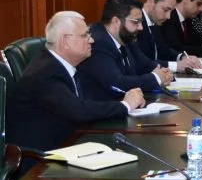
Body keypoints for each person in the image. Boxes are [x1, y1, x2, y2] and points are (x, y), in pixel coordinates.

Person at [6, 11, 145, 152]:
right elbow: (79, 110)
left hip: (70, 142)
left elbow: (92, 99)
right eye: (85, 35)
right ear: (65, 41)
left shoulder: (70, 65)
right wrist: (125, 105)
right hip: (41, 157)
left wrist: (125, 99)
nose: (92, 40)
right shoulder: (44, 73)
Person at [78, 0, 174, 100]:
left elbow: (141, 66)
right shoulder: (98, 43)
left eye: (141, 22)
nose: (141, 27)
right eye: (136, 22)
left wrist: (163, 74)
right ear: (116, 22)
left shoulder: (124, 37)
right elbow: (117, 84)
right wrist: (155, 78)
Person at [136, 0, 202, 71]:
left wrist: (182, 57)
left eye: (171, 11)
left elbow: (165, 51)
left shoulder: (155, 22)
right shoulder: (135, 25)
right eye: (165, 10)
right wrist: (176, 66)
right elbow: (141, 62)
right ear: (150, 2)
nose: (168, 16)